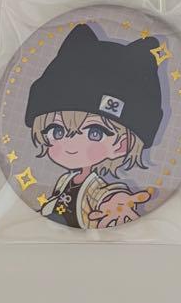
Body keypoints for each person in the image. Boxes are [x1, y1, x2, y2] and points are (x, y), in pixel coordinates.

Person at [25, 24, 163, 228]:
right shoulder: (65, 181)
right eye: (57, 131)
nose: (70, 144)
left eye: (95, 133)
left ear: (121, 146)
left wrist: (118, 203)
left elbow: (108, 196)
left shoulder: (96, 188)